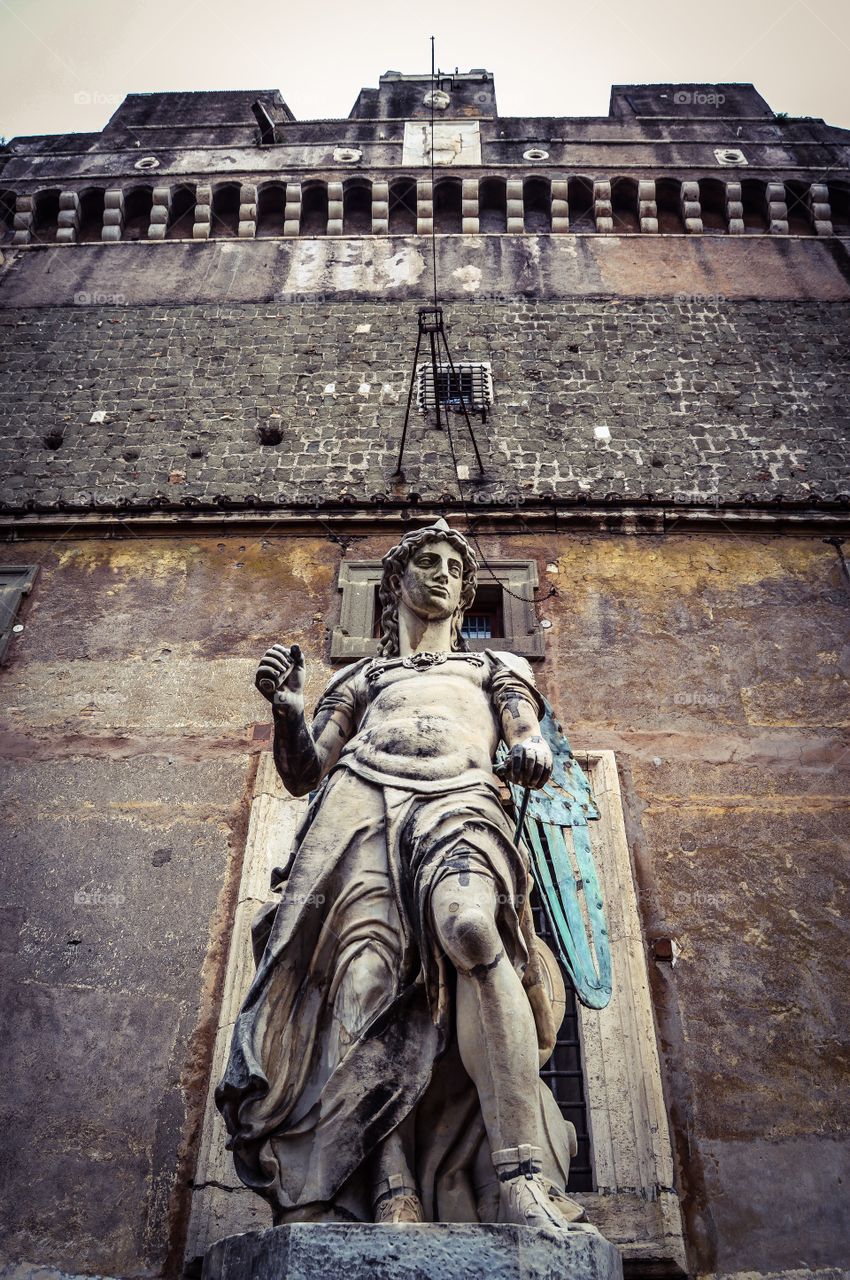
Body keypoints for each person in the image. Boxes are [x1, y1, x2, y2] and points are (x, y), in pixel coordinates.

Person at [216, 519, 588, 1230]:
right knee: (364, 983)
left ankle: (521, 1173)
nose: (443, 574)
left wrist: (532, 749)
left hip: (461, 799)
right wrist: (288, 713)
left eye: (455, 566)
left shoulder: (493, 667)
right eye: (428, 562)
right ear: (396, 584)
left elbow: (524, 730)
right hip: (360, 806)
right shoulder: (362, 678)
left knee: (471, 928)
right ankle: (389, 1184)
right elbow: (304, 771)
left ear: (467, 591)